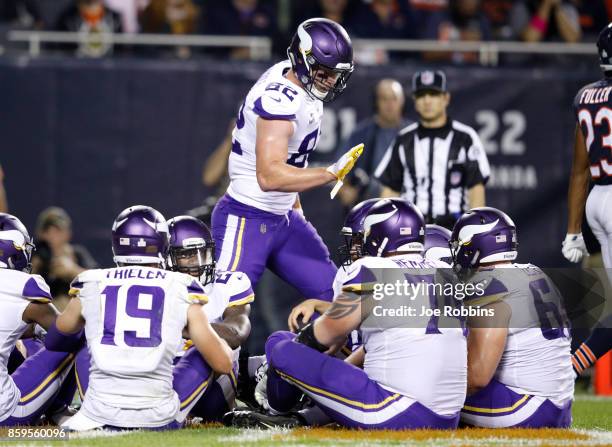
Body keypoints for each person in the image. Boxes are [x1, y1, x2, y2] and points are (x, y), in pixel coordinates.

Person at [234, 199, 466, 429]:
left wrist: (292, 360)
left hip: (394, 409)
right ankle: (300, 415)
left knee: (282, 347)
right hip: (448, 416)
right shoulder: (446, 275)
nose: (360, 245)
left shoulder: (373, 269)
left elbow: (329, 332)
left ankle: (274, 412)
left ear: (379, 237)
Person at [211, 18, 362, 303]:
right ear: (303, 58)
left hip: (284, 218)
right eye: (324, 72)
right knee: (224, 316)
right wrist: (331, 173)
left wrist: (297, 211)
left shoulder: (294, 78)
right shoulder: (280, 100)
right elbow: (269, 177)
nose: (330, 80)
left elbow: (290, 162)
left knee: (339, 302)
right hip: (247, 216)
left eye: (336, 74)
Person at [57, 205, 233, 431]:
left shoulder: (94, 281)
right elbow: (223, 362)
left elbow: (56, 339)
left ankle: (79, 409)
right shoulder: (179, 287)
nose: (195, 263)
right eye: (187, 255)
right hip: (156, 416)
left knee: (82, 339)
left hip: (102, 413)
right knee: (205, 353)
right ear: (163, 247)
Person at [451, 207, 573, 428]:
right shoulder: (534, 272)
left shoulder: (489, 285)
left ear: (473, 245)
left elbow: (477, 377)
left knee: (429, 391)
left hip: (525, 407)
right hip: (560, 407)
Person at [375, 70, 490, 230]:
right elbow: (389, 192)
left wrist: (474, 232)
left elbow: (476, 193)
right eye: (422, 95)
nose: (427, 101)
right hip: (411, 231)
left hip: (454, 231)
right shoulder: (404, 139)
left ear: (445, 98)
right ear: (415, 100)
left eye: (433, 94)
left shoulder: (465, 138)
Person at [167, 215, 253, 421]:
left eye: (202, 253)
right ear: (168, 258)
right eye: (187, 255)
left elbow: (235, 333)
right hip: (163, 372)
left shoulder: (230, 283)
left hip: (214, 380)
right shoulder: (157, 287)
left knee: (202, 353)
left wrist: (182, 325)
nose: (197, 262)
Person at [0, 213, 77, 426]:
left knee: (19, 341)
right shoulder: (23, 285)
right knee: (74, 335)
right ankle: (59, 411)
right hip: (4, 413)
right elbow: (66, 331)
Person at [337, 79, 409, 207]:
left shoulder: (413, 134)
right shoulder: (360, 134)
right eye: (384, 99)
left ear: (402, 101)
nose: (390, 105)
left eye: (394, 99)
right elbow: (339, 172)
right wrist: (344, 190)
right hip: (368, 209)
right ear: (376, 102)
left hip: (408, 208)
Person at [31, 207, 97, 310]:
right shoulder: (34, 256)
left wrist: (72, 270)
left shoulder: (77, 254)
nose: (52, 236)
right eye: (47, 231)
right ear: (40, 234)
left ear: (68, 233)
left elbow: (97, 281)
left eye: (57, 231)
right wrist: (35, 269)